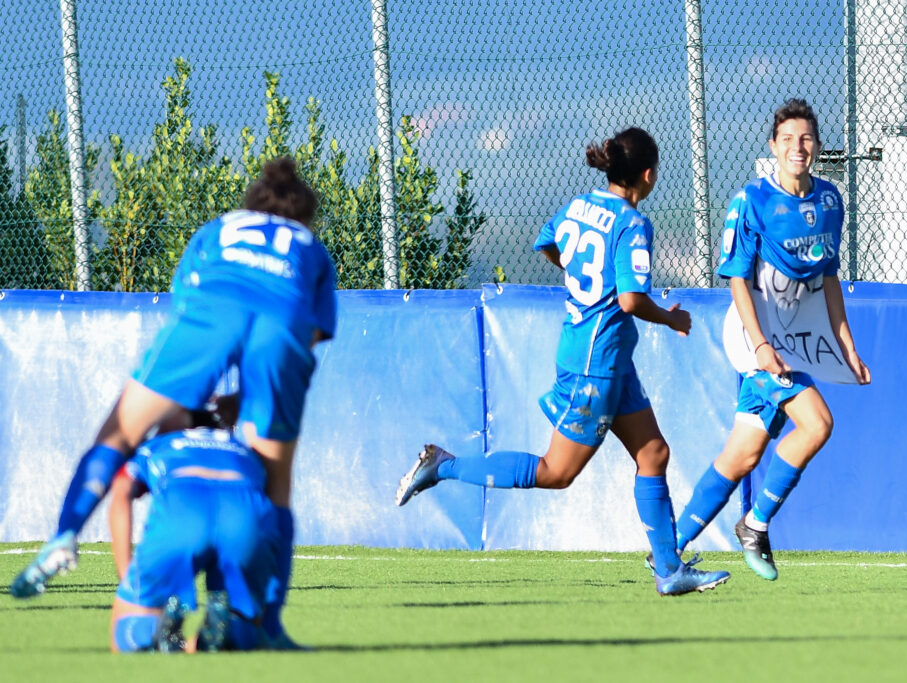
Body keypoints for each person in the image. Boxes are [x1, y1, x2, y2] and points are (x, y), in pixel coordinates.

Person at [11, 158, 337, 647]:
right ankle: (268, 624)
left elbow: (186, 299)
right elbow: (310, 333)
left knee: (119, 435)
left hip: (209, 314)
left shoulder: (218, 230)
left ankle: (65, 533)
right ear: (303, 217)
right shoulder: (311, 248)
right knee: (276, 483)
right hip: (282, 323)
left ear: (253, 204)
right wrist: (243, 398)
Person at [395, 127, 730, 596]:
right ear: (649, 175)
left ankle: (670, 570)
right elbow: (632, 300)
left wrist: (581, 281)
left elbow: (546, 243)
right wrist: (670, 320)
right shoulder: (633, 223)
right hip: (596, 363)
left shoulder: (579, 206)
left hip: (607, 357)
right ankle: (443, 466)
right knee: (556, 472)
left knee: (653, 453)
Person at [671, 99, 871, 580]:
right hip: (753, 340)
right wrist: (760, 346)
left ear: (818, 147)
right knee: (817, 423)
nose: (797, 148)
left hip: (795, 342)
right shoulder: (752, 201)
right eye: (788, 140)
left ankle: (668, 547)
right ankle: (755, 525)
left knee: (741, 456)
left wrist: (847, 347)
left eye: (805, 139)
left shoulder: (829, 201)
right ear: (773, 147)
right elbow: (737, 279)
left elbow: (828, 280)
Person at [108, 422, 280, 653]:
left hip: (184, 509)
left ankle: (152, 633)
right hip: (245, 513)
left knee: (125, 630)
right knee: (243, 617)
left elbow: (121, 492)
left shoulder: (156, 445)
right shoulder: (242, 448)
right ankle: (225, 630)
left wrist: (126, 576)